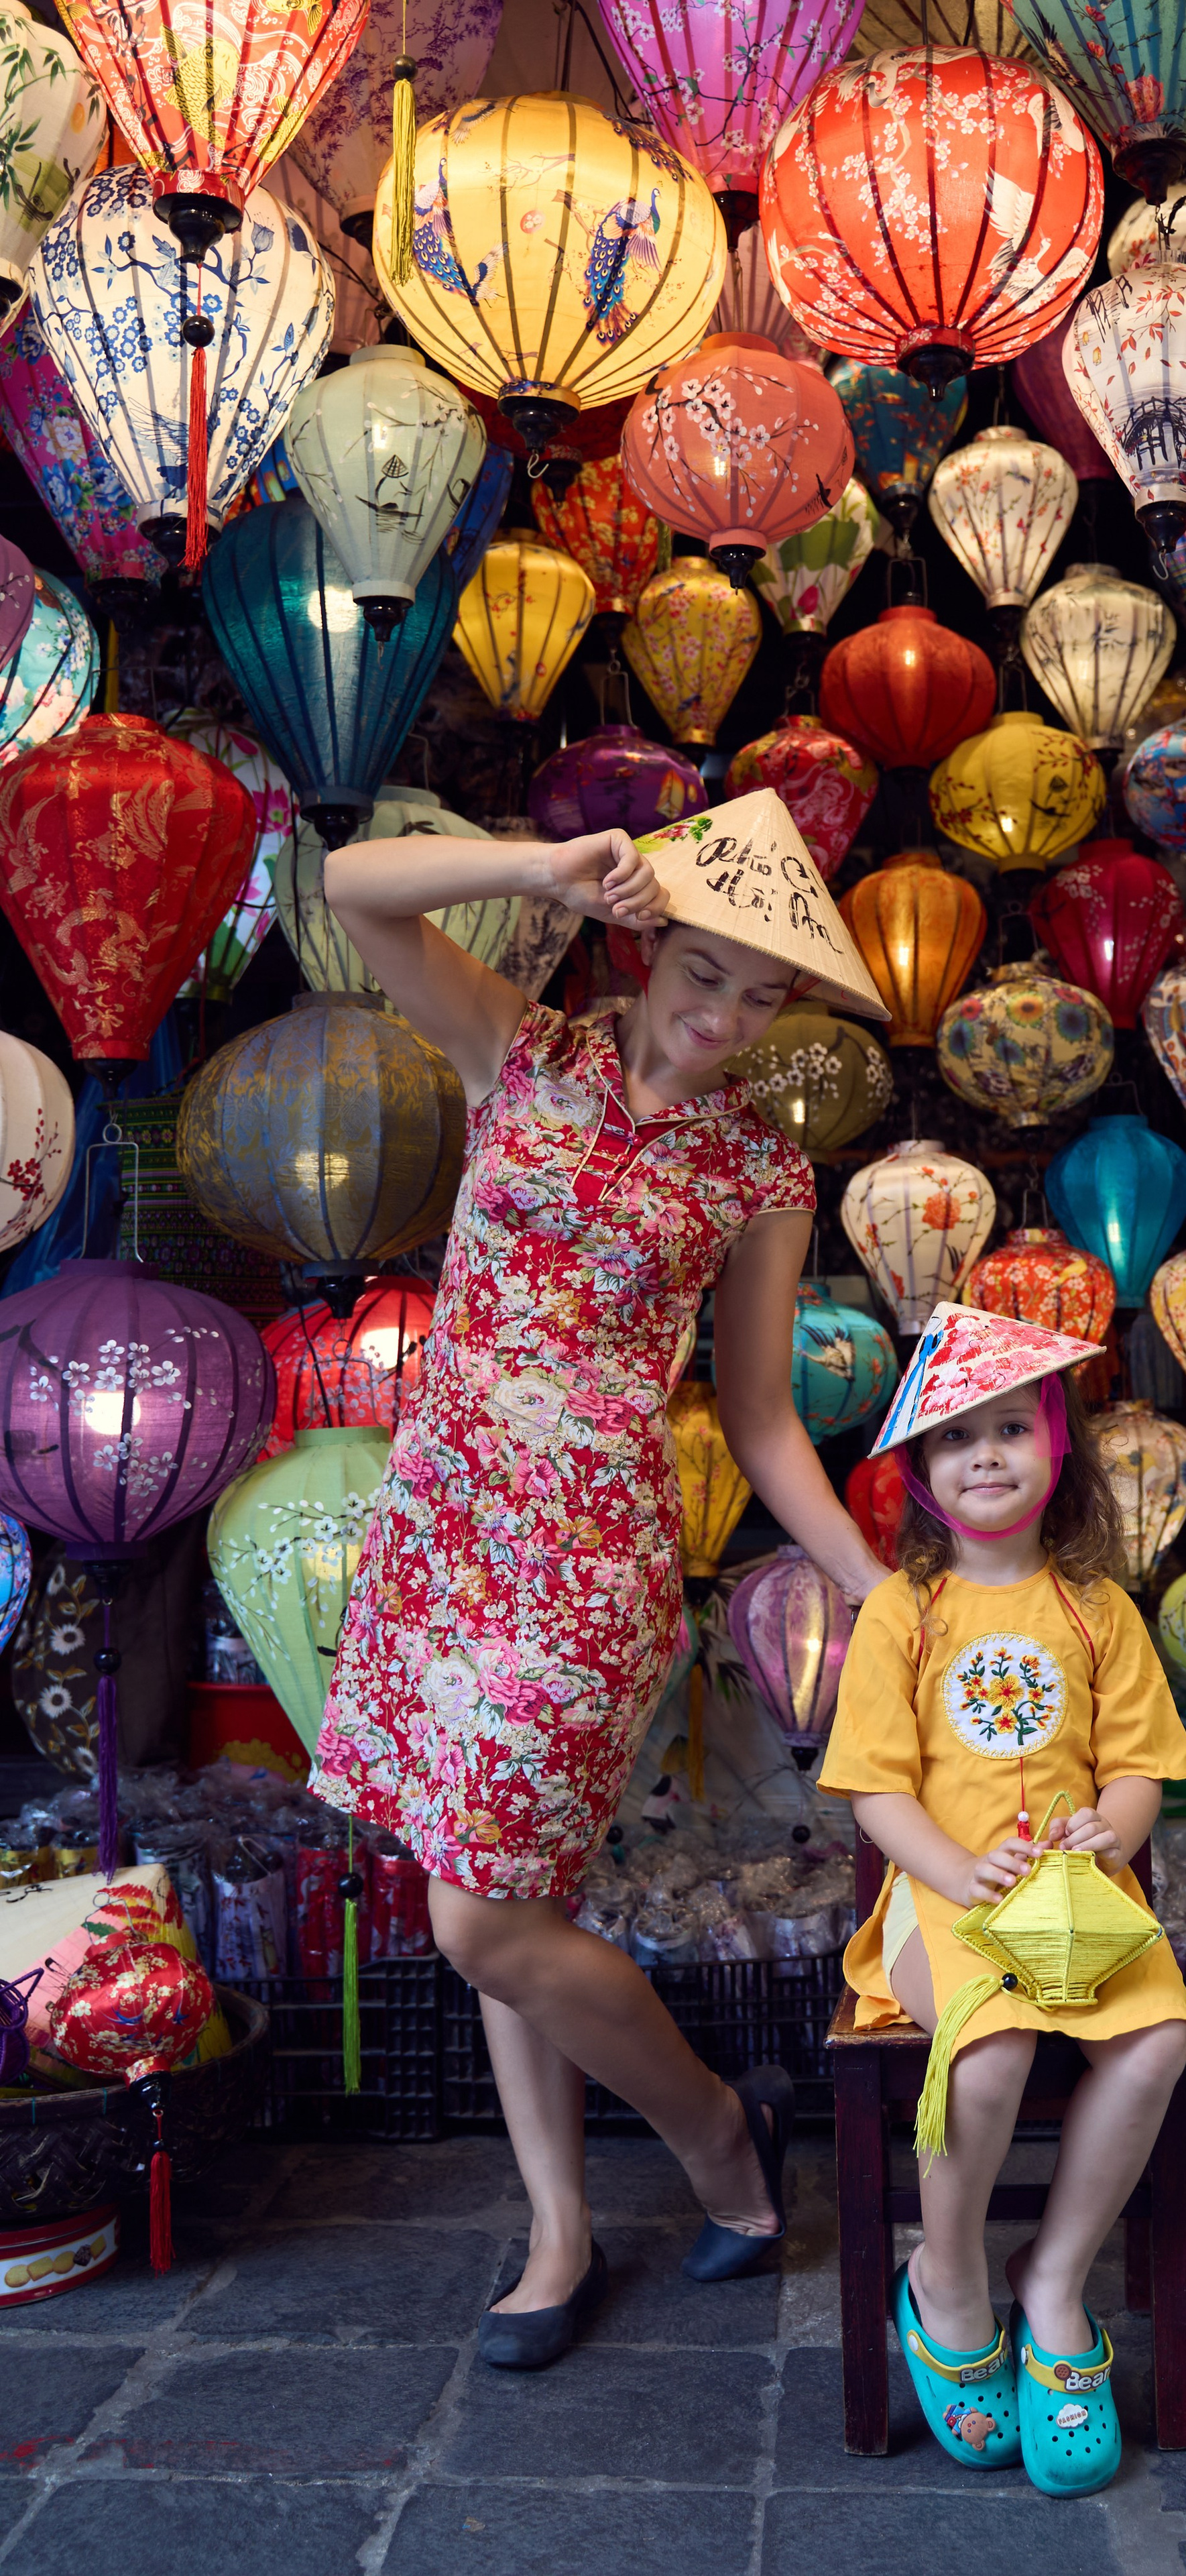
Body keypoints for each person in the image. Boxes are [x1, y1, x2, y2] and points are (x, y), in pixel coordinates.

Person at [308, 791, 891, 2369]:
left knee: (479, 1917)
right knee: (510, 1885)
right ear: (642, 949)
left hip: (586, 1558)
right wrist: (533, 867)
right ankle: (558, 2228)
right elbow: (351, 887)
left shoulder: (758, 1173)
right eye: (704, 974)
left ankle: (713, 2134)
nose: (726, 1018)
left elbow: (763, 1422)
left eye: (763, 995)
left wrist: (867, 1581)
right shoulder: (531, 1051)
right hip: (437, 1528)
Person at [816, 1303, 1186, 2499]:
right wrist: (948, 1871)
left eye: (1010, 1429)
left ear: (1058, 1453)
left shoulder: (1100, 1609)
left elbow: (1141, 1760)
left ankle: (1053, 2274)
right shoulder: (903, 1613)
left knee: (1153, 2044)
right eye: (954, 1438)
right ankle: (946, 2278)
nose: (984, 1453)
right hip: (947, 1904)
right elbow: (875, 1793)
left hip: (1082, 1902)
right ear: (923, 1477)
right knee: (984, 2060)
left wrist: (1117, 1827)